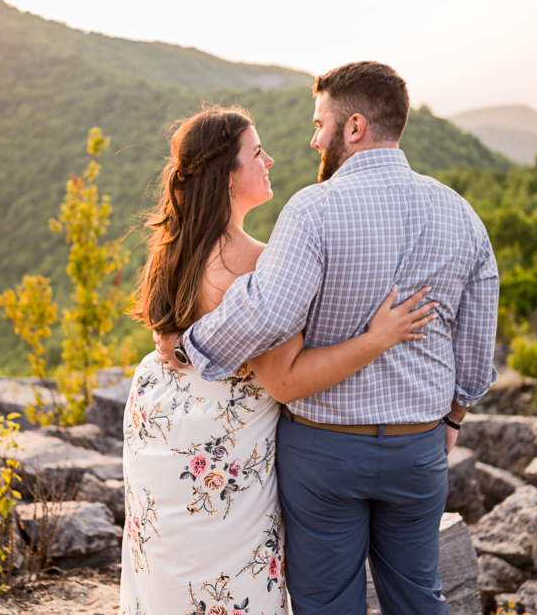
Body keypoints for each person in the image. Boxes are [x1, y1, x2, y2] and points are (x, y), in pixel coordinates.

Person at [155, 62, 499, 615]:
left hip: (323, 450)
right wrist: (453, 419)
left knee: (325, 605)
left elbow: (266, 313)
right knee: (419, 598)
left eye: (321, 124)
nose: (314, 138)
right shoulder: (462, 214)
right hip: (418, 447)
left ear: (355, 126)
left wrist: (188, 343)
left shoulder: (313, 210)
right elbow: (478, 354)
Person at [121, 105, 438, 615]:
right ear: (228, 174)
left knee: (170, 569)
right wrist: (379, 337)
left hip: (158, 420)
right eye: (256, 152)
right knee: (233, 580)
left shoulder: (171, 247)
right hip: (224, 442)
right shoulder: (261, 263)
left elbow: (170, 338)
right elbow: (286, 379)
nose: (269, 159)